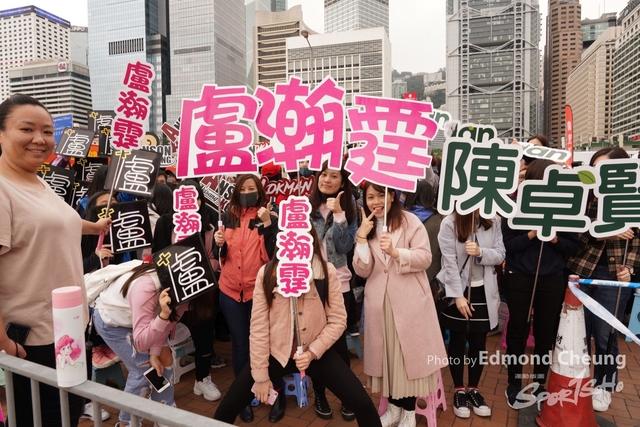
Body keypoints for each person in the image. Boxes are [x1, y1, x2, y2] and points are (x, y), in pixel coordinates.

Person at [0, 93, 111, 427]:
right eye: (27, 129)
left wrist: (95, 226)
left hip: (66, 329)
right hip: (31, 339)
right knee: (43, 419)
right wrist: (3, 342)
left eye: (47, 131)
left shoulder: (37, 181)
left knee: (68, 413)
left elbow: (56, 222)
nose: (40, 139)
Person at [214, 226, 383, 426]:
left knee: (363, 404)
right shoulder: (267, 274)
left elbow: (338, 320)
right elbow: (259, 328)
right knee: (227, 408)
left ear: (311, 240)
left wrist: (313, 352)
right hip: (277, 353)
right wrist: (260, 376)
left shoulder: (325, 272)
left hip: (315, 352)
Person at [353, 183, 448, 427]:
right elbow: (362, 270)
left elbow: (425, 258)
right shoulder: (367, 227)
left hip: (409, 303)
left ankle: (408, 412)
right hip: (380, 303)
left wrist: (397, 253)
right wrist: (361, 238)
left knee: (407, 360)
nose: (376, 202)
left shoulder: (410, 221)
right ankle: (394, 408)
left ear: (392, 197)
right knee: (388, 358)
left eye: (380, 195)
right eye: (370, 197)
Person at [565, 147, 640, 412]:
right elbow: (576, 235)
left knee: (606, 333)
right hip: (581, 271)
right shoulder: (586, 197)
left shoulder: (632, 199)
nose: (598, 174)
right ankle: (579, 379)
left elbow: (637, 241)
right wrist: (606, 232)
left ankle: (604, 385)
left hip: (614, 275)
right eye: (595, 168)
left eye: (604, 169)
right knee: (579, 332)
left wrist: (630, 268)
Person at [502, 159, 579, 408]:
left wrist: (555, 239)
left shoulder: (565, 208)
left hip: (552, 278)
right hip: (519, 276)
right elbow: (507, 246)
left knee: (546, 333)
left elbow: (573, 246)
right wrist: (532, 234)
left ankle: (539, 382)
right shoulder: (514, 206)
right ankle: (514, 383)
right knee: (518, 329)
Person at [213, 174, 279, 423]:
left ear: (259, 191)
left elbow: (274, 255)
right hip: (230, 292)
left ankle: (275, 393)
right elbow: (221, 256)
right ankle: (243, 398)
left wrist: (269, 224)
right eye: (242, 189)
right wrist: (219, 244)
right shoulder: (228, 216)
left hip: (258, 293)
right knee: (240, 346)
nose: (246, 193)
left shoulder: (268, 216)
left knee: (267, 345)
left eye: (251, 188)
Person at [93, 262, 192, 427]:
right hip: (113, 322)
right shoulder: (146, 286)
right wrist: (163, 316)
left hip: (141, 320)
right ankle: (127, 423)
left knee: (165, 359)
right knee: (142, 370)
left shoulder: (187, 289)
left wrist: (155, 353)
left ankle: (163, 413)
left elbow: (168, 324)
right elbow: (141, 343)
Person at [153, 180, 223, 402]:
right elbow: (157, 257)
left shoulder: (208, 226)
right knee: (158, 340)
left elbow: (214, 259)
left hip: (201, 296)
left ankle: (202, 379)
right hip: (172, 296)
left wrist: (203, 266)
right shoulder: (165, 223)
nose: (191, 202)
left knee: (204, 340)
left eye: (196, 198)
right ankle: (158, 387)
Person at [436, 209, 505, 419]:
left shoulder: (492, 221)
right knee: (457, 340)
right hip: (458, 290)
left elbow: (501, 254)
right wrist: (458, 296)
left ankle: (474, 389)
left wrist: (481, 252)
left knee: (478, 341)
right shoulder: (450, 223)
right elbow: (449, 262)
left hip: (484, 290)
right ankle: (459, 390)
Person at [308, 162, 358, 421]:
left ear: (342, 181)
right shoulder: (306, 207)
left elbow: (344, 247)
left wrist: (339, 216)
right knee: (316, 341)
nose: (327, 179)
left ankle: (348, 395)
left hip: (339, 284)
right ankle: (319, 394)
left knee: (338, 344)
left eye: (334, 176)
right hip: (311, 283)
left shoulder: (350, 208)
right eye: (323, 174)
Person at [403, 180, 443, 283]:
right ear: (431, 197)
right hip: (431, 277)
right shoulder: (440, 221)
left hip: (404, 275)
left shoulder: (400, 219)